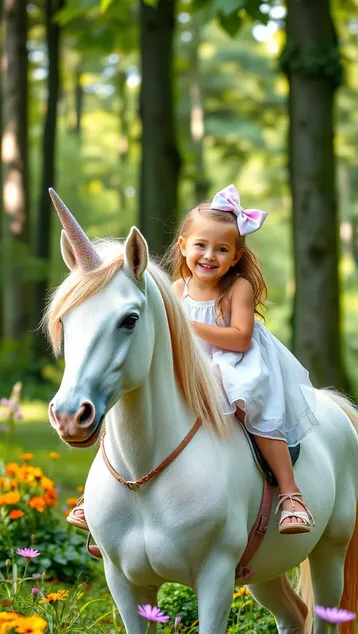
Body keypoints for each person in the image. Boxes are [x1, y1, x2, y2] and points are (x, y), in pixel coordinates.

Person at [68, 184, 318, 535]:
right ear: (183, 246)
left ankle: (290, 493)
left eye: (221, 249)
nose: (209, 256)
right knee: (133, 400)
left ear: (234, 256)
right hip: (190, 364)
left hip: (235, 362)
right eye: (201, 245)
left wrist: (190, 327)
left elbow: (240, 337)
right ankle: (98, 495)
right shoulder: (177, 290)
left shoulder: (237, 288)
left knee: (251, 404)